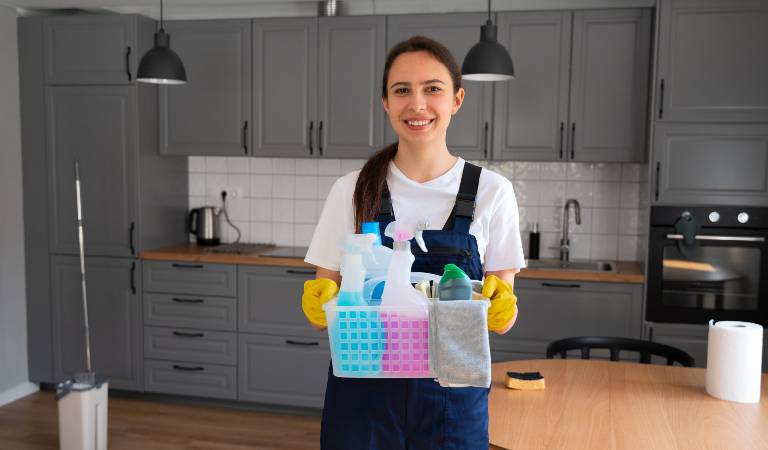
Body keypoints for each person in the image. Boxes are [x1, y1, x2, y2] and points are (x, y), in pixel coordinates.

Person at [301, 36, 524, 449]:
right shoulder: (351, 190)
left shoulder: (493, 191)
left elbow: (503, 315)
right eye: (402, 90)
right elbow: (322, 312)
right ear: (385, 102)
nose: (417, 104)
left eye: (432, 89)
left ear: (457, 99)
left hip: (455, 392)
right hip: (363, 392)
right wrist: (319, 299)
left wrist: (501, 305)